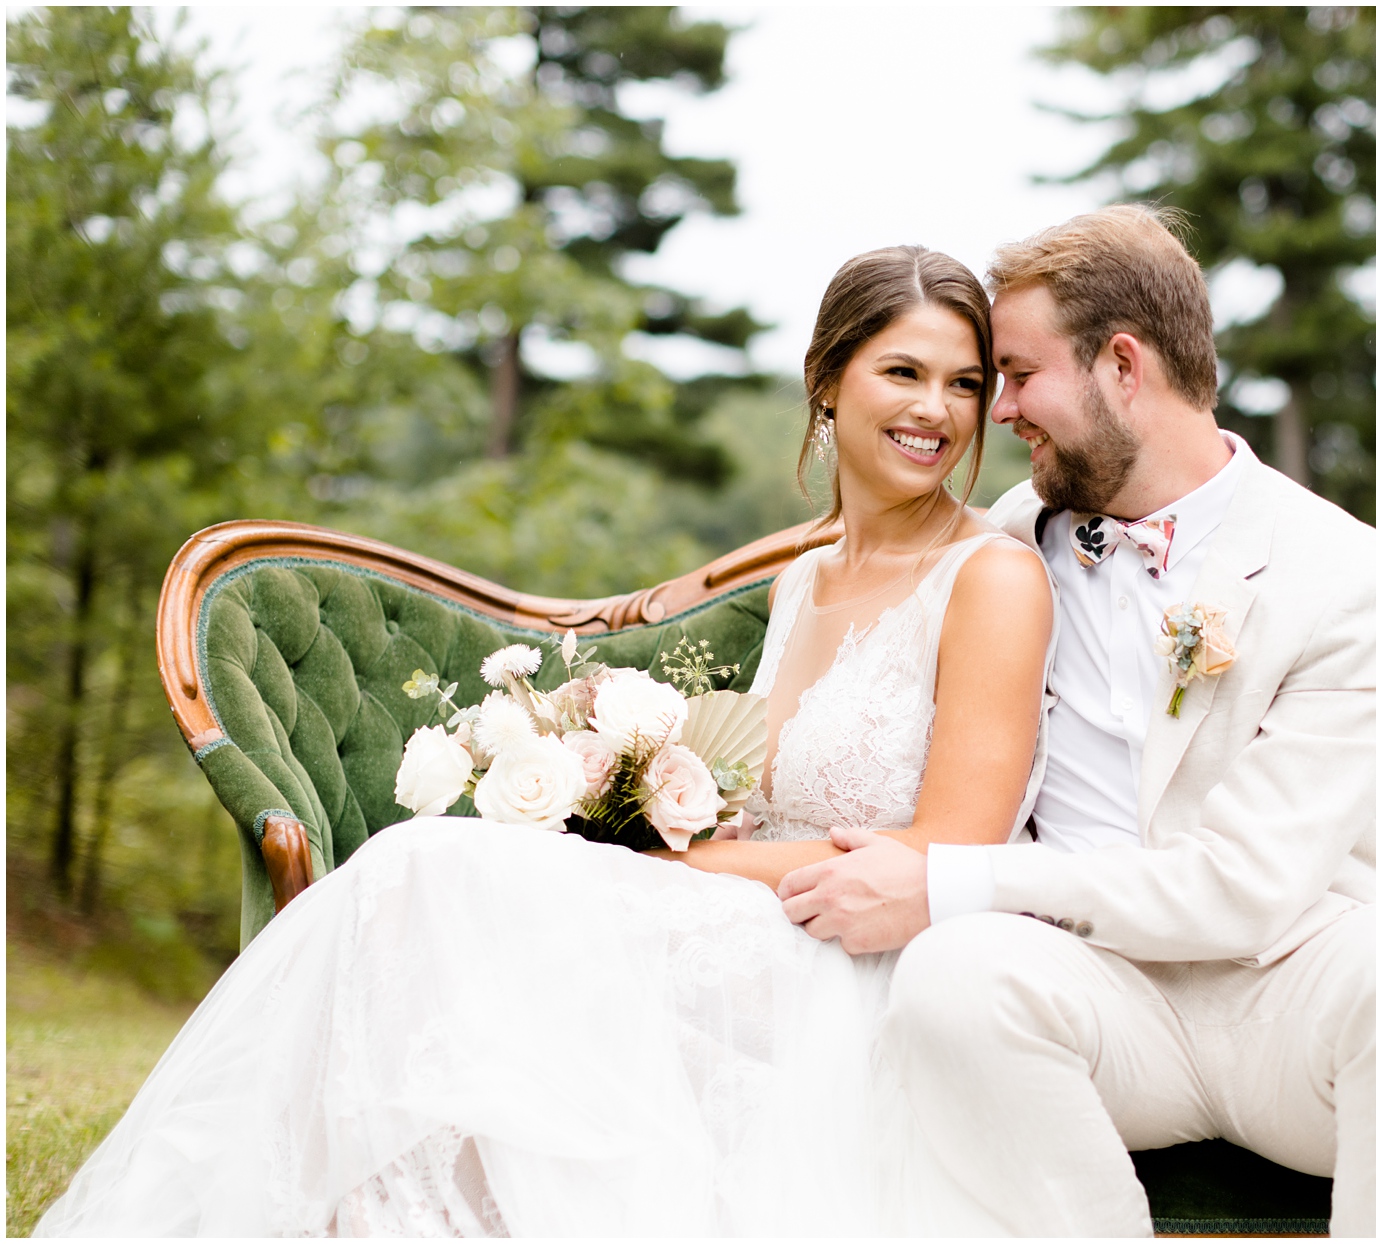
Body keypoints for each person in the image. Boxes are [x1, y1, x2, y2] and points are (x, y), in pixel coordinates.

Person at [33, 246, 1055, 1237]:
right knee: (419, 884)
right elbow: (763, 789)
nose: (937, 408)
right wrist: (641, 803)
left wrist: (670, 864)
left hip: (850, 963)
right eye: (904, 371)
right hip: (746, 918)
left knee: (435, 874)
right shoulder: (804, 580)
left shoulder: (992, 577)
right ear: (827, 381)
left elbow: (955, 843)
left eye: (965, 383)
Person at [777, 206, 1376, 1237]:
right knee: (954, 974)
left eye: (1017, 374)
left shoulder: (1356, 581)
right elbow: (859, 563)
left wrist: (954, 878)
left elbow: (1245, 885)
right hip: (1090, 989)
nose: (998, 412)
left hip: (1291, 982)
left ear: (1122, 366)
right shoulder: (1008, 543)